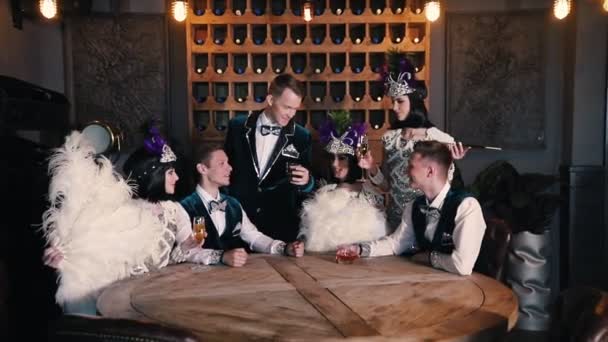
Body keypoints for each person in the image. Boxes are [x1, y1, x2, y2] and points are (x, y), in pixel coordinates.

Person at [41, 128, 204, 314]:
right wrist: (65, 254)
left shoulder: (175, 211)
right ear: (152, 175)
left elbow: (186, 255)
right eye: (170, 173)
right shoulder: (122, 210)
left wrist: (187, 247)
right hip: (125, 297)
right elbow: (92, 247)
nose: (177, 177)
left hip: (163, 292)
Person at [337, 141, 486, 276]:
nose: (405, 172)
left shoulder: (466, 207)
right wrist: (360, 249)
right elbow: (396, 244)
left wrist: (428, 257)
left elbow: (463, 266)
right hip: (426, 281)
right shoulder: (414, 206)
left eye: (411, 166)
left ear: (430, 171)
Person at [359, 55, 469, 232]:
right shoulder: (390, 138)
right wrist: (371, 167)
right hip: (394, 224)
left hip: (425, 225)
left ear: (415, 102)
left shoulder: (439, 139)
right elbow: (387, 186)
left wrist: (451, 162)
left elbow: (443, 193)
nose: (394, 108)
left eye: (400, 101)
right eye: (393, 101)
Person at [224, 73, 314, 243]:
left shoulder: (302, 136)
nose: (291, 114)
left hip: (281, 229)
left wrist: (308, 181)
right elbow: (224, 173)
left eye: (295, 109)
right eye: (287, 107)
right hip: (239, 225)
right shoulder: (237, 126)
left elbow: (309, 188)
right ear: (271, 100)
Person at [180, 145, 304, 267]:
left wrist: (284, 248)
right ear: (202, 169)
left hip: (234, 279)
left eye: (228, 163)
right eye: (222, 163)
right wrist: (222, 257)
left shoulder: (234, 204)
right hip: (196, 281)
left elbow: (254, 237)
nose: (230, 168)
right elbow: (186, 251)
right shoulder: (183, 207)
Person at [298, 111, 387, 252]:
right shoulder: (324, 191)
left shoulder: (369, 192)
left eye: (342, 158)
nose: (334, 164)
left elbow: (385, 188)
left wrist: (369, 164)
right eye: (332, 158)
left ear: (353, 160)